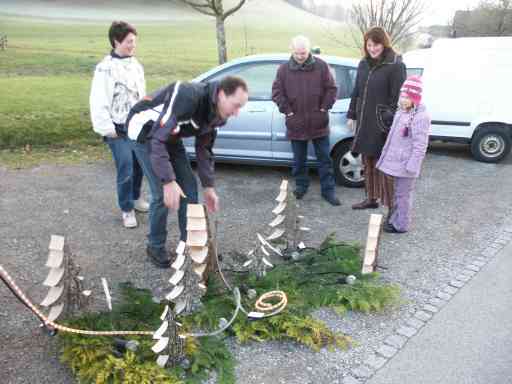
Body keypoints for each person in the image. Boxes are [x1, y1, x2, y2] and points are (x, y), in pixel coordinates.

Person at [125, 76, 249, 267]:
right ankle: (155, 246)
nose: (238, 113)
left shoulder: (218, 114)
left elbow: (204, 148)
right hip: (145, 132)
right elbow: (157, 139)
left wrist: (208, 186)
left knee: (189, 189)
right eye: (236, 105)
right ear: (222, 94)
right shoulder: (187, 95)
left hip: (170, 136)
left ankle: (189, 245)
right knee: (161, 194)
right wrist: (168, 181)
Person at [90, 21, 149, 229]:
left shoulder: (136, 65)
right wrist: (108, 129)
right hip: (117, 129)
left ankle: (135, 198)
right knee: (125, 166)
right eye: (129, 41)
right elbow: (98, 100)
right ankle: (126, 209)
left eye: (134, 41)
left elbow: (141, 95)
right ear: (117, 41)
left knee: (139, 164)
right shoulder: (104, 68)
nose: (133, 45)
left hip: (136, 126)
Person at [272, 35, 341, 206]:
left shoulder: (321, 66)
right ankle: (301, 187)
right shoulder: (283, 70)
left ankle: (328, 191)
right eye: (297, 53)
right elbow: (277, 93)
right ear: (292, 50)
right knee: (298, 160)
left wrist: (324, 107)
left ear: (309, 50)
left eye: (303, 53)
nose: (301, 56)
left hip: (319, 122)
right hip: (296, 123)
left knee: (324, 159)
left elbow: (332, 89)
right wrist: (288, 111)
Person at [347, 27, 406, 211]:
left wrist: (386, 119)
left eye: (377, 44)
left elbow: (397, 97)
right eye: (369, 44)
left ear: (384, 43)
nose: (372, 49)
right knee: (368, 163)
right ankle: (371, 198)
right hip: (365, 122)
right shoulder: (363, 63)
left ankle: (392, 210)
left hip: (383, 124)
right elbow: (356, 91)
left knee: (386, 168)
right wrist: (351, 114)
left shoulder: (395, 65)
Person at [376, 76, 431, 233]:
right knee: (398, 193)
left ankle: (401, 225)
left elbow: (420, 145)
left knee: (403, 195)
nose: (403, 99)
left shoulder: (421, 117)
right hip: (398, 162)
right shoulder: (401, 112)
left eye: (407, 97)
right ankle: (396, 218)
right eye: (402, 95)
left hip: (407, 165)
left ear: (415, 98)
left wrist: (412, 166)